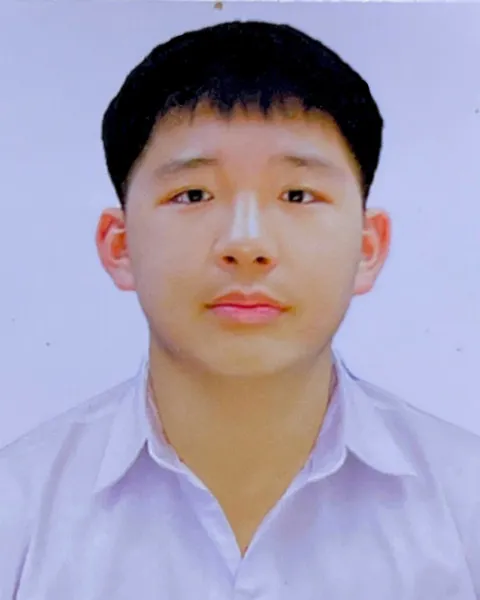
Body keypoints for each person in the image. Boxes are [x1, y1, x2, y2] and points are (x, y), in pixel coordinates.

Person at [1, 19, 479, 599]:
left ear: (368, 248)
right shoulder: (18, 510)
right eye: (193, 195)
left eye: (297, 195)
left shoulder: (465, 504)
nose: (246, 242)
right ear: (119, 246)